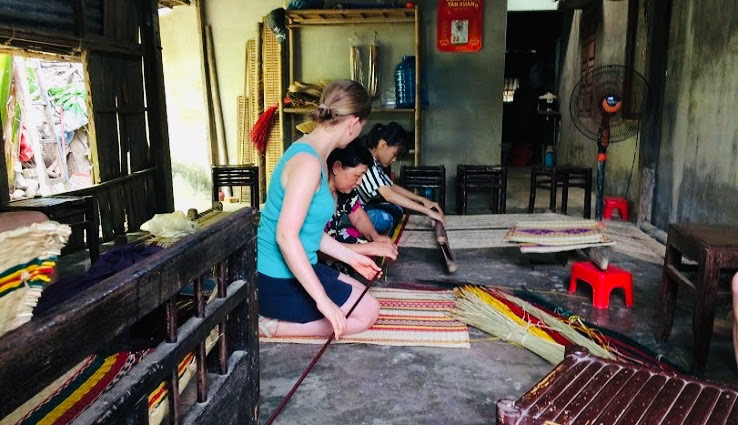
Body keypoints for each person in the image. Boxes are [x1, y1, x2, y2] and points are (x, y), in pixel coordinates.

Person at [257, 80, 380, 339]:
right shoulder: (308, 164)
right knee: (366, 312)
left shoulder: (316, 155)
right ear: (354, 122)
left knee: (364, 298)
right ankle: (270, 325)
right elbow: (286, 237)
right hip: (277, 279)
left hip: (298, 266)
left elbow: (308, 230)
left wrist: (352, 258)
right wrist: (322, 301)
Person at [357, 122, 445, 234]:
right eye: (394, 154)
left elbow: (391, 186)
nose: (394, 159)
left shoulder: (374, 161)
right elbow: (388, 195)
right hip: (349, 212)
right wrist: (427, 211)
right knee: (384, 220)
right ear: (383, 145)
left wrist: (422, 200)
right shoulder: (366, 161)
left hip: (360, 206)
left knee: (397, 209)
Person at [324, 138, 398, 261]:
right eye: (357, 175)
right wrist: (370, 248)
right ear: (337, 168)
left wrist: (375, 237)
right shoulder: (316, 194)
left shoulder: (345, 192)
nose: (359, 182)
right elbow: (314, 248)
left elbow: (358, 216)